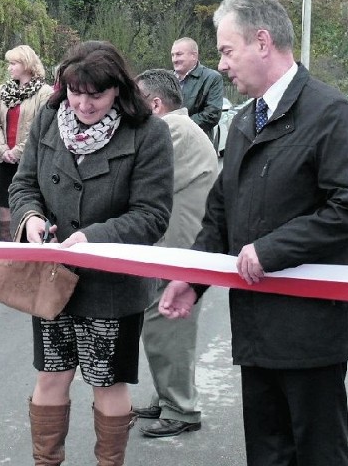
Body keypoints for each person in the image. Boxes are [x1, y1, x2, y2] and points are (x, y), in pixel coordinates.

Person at [159, 0, 348, 465]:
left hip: (311, 331)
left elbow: (346, 207)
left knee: (317, 453)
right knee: (267, 454)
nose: (222, 66)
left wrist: (272, 249)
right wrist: (192, 278)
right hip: (257, 326)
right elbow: (221, 214)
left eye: (227, 51)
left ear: (262, 41)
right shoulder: (246, 121)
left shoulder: (331, 115)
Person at [8, 40, 173, 465]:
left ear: (118, 88)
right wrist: (29, 218)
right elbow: (23, 184)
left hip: (112, 285)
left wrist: (93, 239)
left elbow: (153, 216)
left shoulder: (149, 133)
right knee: (50, 377)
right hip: (54, 280)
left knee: (109, 384)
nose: (83, 103)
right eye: (76, 92)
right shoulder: (48, 118)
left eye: (95, 94)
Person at [132, 69, 218, 437]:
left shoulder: (173, 131)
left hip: (178, 246)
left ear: (155, 104)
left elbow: (135, 179)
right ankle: (168, 397)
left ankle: (181, 408)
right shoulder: (180, 129)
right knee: (161, 326)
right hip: (176, 243)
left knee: (169, 327)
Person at [0, 45, 52, 241]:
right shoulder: (4, 90)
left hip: (30, 161)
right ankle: (7, 257)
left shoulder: (44, 92)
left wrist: (17, 151)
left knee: (30, 209)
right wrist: (2, 149)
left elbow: (40, 128)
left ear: (26, 64)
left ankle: (28, 255)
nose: (9, 68)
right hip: (5, 160)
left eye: (13, 63)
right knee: (4, 210)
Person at [171, 37, 223, 140]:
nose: (174, 59)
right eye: (172, 55)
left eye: (179, 54)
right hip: (169, 143)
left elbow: (212, 115)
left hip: (196, 144)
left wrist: (177, 126)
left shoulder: (211, 78)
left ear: (194, 56)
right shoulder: (166, 79)